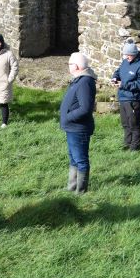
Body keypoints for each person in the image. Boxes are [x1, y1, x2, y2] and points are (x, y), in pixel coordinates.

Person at [59, 53, 96, 194]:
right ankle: (72, 187)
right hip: (72, 128)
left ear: (77, 66)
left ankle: (81, 191)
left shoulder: (85, 82)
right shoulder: (78, 80)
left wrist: (68, 117)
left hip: (78, 128)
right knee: (74, 158)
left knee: (80, 160)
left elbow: (85, 108)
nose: (69, 66)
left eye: (70, 64)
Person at [111, 40, 140, 151]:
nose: (126, 57)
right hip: (123, 97)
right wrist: (115, 78)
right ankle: (127, 144)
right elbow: (118, 72)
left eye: (129, 55)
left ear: (135, 53)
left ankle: (135, 148)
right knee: (125, 123)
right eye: (125, 55)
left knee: (134, 123)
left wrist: (123, 84)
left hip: (135, 99)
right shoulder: (125, 62)